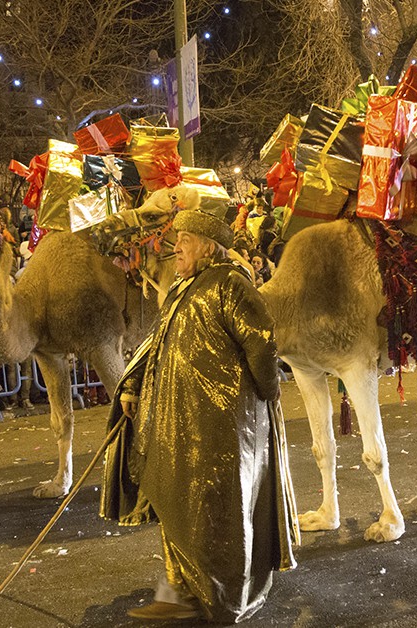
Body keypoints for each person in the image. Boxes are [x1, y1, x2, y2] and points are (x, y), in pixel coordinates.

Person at [101, 210, 298, 622]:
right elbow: (157, 344)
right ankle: (179, 595)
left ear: (208, 246)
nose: (176, 247)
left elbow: (262, 346)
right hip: (175, 426)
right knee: (177, 507)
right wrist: (134, 386)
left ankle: (227, 600)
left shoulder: (232, 284)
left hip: (224, 429)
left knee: (219, 515)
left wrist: (268, 393)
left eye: (185, 239)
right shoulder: (181, 289)